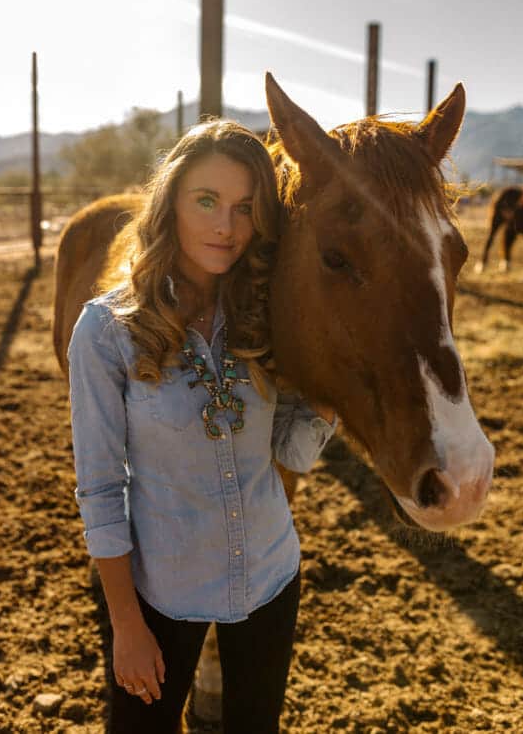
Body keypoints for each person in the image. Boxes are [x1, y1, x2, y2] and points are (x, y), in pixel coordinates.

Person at [67, 119, 337, 734]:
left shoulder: (264, 311)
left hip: (270, 576)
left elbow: (287, 452)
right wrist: (126, 626)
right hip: (164, 594)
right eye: (207, 201)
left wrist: (330, 393)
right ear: (171, 201)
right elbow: (101, 490)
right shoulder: (106, 331)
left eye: (245, 208)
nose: (226, 227)